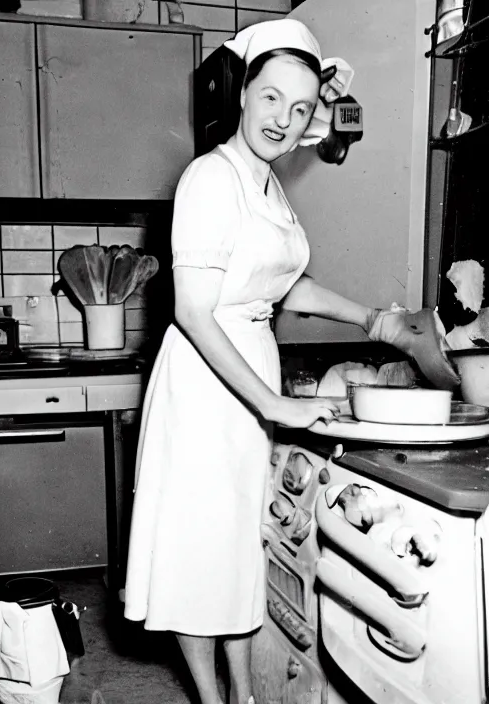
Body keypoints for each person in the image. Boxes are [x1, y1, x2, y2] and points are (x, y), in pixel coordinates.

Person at [124, 18, 458, 704]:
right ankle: (214, 700)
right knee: (203, 551)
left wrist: (373, 320)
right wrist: (273, 403)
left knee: (240, 551)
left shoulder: (266, 185)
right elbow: (193, 309)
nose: (284, 118)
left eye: (300, 106)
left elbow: (283, 282)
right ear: (244, 93)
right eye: (271, 97)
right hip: (205, 380)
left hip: (247, 372)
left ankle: (242, 694)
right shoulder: (210, 179)